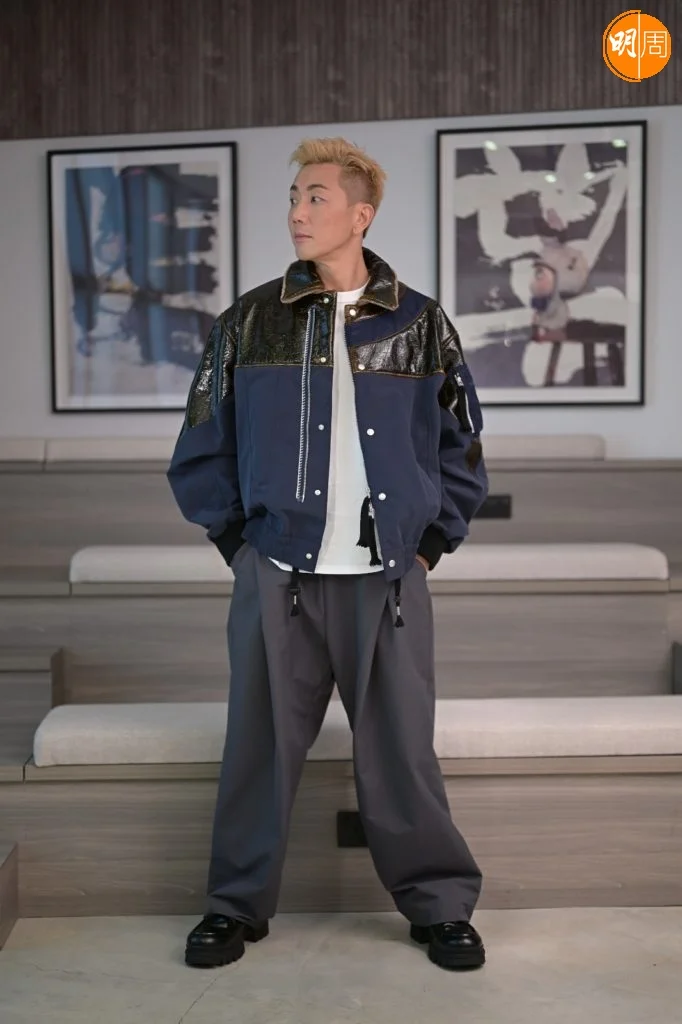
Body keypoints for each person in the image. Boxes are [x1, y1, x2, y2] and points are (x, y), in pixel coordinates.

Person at [167, 137, 489, 973]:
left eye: (316, 196)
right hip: (278, 573)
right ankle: (234, 907)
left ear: (361, 214)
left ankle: (440, 906)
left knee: (402, 754)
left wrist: (429, 547)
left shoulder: (420, 323)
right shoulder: (248, 321)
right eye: (294, 197)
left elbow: (461, 446)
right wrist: (240, 547)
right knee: (258, 751)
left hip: (389, 580)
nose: (298, 212)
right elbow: (200, 444)